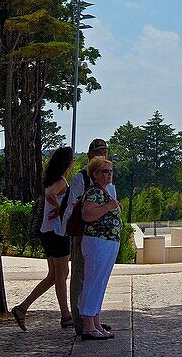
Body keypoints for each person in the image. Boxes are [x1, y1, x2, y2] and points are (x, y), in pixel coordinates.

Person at [11, 145, 75, 332]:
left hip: (47, 231)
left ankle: (22, 308)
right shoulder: (61, 181)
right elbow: (50, 195)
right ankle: (65, 316)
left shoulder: (52, 179)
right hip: (57, 232)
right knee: (61, 274)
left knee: (54, 275)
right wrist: (59, 208)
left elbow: (48, 193)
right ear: (68, 163)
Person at [64, 138, 114, 337]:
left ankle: (93, 318)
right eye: (98, 152)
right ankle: (81, 321)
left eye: (105, 152)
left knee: (96, 280)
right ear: (90, 156)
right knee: (82, 278)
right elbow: (72, 206)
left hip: (104, 238)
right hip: (87, 235)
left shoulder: (107, 180)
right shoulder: (82, 178)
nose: (102, 155)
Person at [79, 155, 123, 339]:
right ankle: (88, 326)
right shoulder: (93, 193)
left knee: (100, 283)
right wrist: (109, 207)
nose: (109, 174)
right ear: (95, 174)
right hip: (98, 242)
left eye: (111, 171)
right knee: (93, 282)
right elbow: (87, 215)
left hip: (107, 242)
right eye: (105, 171)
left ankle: (96, 321)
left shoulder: (104, 192)